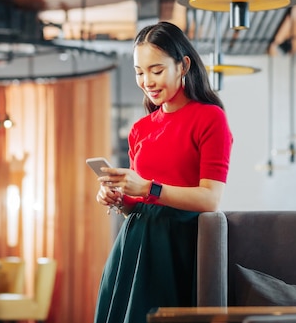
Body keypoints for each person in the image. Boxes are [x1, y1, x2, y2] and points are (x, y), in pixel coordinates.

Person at [93, 21, 233, 323]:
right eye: (139, 72)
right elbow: (136, 206)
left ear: (183, 65)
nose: (147, 81)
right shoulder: (140, 129)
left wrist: (146, 188)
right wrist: (120, 198)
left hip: (179, 245)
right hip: (134, 244)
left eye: (156, 70)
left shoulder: (210, 119)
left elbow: (210, 199)